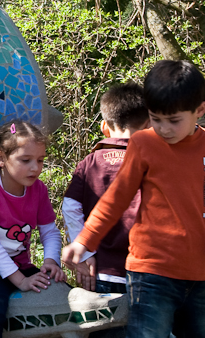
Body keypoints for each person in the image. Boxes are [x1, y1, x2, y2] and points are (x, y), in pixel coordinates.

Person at [62, 60, 205, 338]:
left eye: (173, 121)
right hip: (150, 271)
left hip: (197, 275)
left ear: (200, 110)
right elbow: (115, 199)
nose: (164, 129)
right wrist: (84, 241)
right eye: (156, 119)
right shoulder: (144, 143)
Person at [0, 119, 66, 337]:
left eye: (40, 160)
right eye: (25, 160)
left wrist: (50, 261)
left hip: (20, 265)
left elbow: (50, 231)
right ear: (1, 158)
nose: (35, 168)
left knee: (59, 293)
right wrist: (21, 281)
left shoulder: (38, 190)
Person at [61, 83, 148, 294]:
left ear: (104, 127)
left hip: (102, 269)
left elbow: (70, 206)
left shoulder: (90, 162)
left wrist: (85, 254)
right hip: (148, 269)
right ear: (149, 124)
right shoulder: (152, 161)